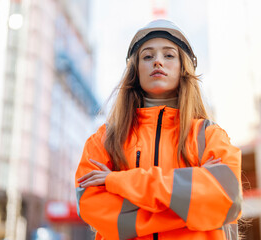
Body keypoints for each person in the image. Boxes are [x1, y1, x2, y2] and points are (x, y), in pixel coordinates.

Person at [75, 19, 242, 240]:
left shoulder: (209, 136)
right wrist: (193, 210)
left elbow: (227, 199)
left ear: (184, 67)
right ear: (135, 70)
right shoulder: (104, 140)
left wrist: (118, 181)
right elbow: (92, 208)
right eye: (147, 56)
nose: (158, 62)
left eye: (169, 55)